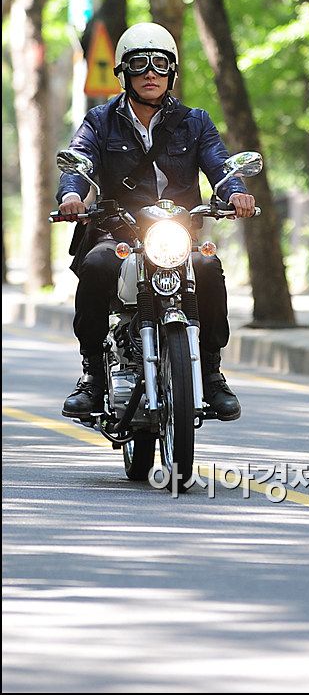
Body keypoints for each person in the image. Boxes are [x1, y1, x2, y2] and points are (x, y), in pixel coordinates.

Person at [57, 22, 255, 422]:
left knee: (207, 266)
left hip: (176, 234)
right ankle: (92, 376)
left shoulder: (195, 122)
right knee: (96, 265)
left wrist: (235, 192)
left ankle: (212, 373)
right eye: (140, 64)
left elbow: (220, 165)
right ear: (123, 72)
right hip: (118, 232)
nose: (150, 73)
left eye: (160, 64)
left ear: (171, 72)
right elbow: (80, 160)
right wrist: (71, 197)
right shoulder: (100, 121)